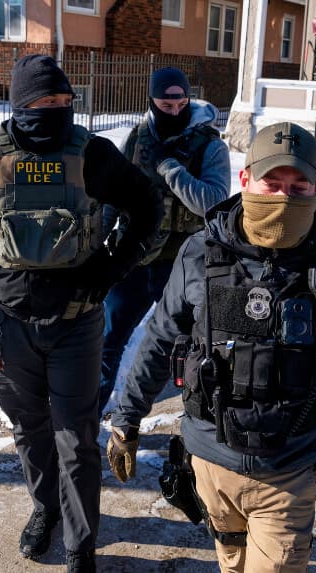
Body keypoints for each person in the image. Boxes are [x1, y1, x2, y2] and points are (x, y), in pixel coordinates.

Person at [106, 122, 316, 572]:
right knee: (231, 561)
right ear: (246, 179)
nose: (284, 197)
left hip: (289, 471)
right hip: (209, 463)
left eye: (298, 185)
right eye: (272, 183)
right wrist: (126, 418)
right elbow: (160, 339)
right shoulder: (200, 251)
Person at [0, 55, 163, 573]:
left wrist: (108, 269)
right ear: (18, 105)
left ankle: (80, 542)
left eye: (62, 101)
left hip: (77, 323)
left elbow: (149, 207)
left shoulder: (93, 155)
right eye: (40, 102)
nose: (53, 110)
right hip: (8, 324)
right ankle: (45, 507)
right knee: (29, 427)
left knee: (76, 436)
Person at [98, 66, 230, 415]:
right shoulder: (136, 139)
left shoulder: (210, 145)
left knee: (192, 346)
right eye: (165, 106)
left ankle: (199, 423)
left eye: (180, 104)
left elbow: (215, 204)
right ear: (152, 102)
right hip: (136, 257)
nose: (173, 112)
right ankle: (88, 417)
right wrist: (95, 239)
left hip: (185, 264)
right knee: (108, 339)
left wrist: (170, 167)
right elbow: (113, 195)